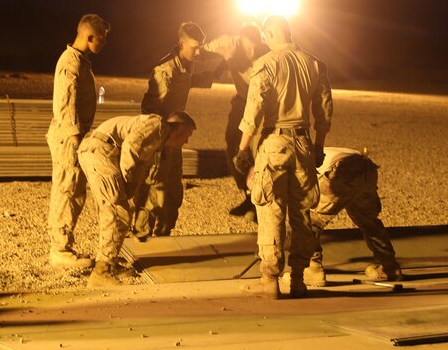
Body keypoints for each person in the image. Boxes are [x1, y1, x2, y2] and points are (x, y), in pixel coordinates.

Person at [234, 15, 333, 299]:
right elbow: (324, 110)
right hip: (303, 142)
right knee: (302, 214)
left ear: (268, 34)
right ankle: (299, 278)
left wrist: (242, 149)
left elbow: (253, 111)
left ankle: (270, 279)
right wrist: (319, 145)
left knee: (271, 210)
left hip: (274, 142)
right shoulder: (314, 63)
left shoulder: (266, 64)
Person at [78, 111, 197, 287]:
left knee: (115, 211)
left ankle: (108, 264)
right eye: (187, 134)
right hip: (101, 151)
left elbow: (140, 163)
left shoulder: (158, 140)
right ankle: (101, 272)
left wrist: (131, 187)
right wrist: (127, 179)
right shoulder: (159, 125)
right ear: (179, 127)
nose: (186, 141)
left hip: (100, 151)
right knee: (117, 212)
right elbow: (130, 147)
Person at [135, 22, 219, 237]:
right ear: (182, 44)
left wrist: (216, 72)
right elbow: (151, 107)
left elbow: (189, 81)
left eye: (201, 47)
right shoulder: (166, 70)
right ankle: (140, 235)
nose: (199, 52)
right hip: (161, 137)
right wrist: (159, 140)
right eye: (194, 47)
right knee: (154, 187)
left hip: (174, 137)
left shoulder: (186, 64)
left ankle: (164, 232)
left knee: (172, 189)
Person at [45, 14, 109, 270]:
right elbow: (66, 103)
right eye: (102, 40)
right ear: (89, 37)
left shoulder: (80, 61)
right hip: (68, 138)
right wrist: (76, 139)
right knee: (67, 190)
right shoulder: (70, 63)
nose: (104, 45)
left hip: (75, 136)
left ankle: (64, 246)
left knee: (75, 191)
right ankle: (59, 250)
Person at [302, 147, 402, 287]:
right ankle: (390, 266)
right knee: (368, 221)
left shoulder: (289, 157)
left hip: (341, 171)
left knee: (311, 221)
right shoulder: (311, 148)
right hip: (366, 169)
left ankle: (313, 269)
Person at [201, 23, 269, 222]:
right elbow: (201, 51)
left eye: (255, 48)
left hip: (261, 107)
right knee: (232, 145)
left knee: (257, 150)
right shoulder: (229, 43)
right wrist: (214, 70)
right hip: (241, 102)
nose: (252, 53)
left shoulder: (267, 52)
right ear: (240, 41)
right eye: (248, 48)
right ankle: (247, 196)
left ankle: (259, 202)